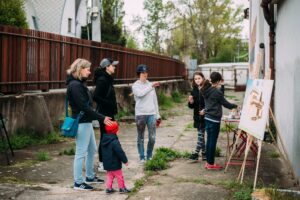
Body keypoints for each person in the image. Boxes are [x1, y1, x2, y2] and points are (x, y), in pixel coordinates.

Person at [66, 58, 113, 190]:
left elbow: (88, 105)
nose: (89, 71)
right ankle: (78, 182)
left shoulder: (79, 84)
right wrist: (101, 118)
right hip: (81, 123)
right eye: (87, 69)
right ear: (80, 69)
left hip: (86, 122)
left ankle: (90, 176)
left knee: (91, 149)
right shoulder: (75, 85)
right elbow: (84, 107)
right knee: (81, 152)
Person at [201, 72, 237, 170]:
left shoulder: (205, 89)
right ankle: (210, 164)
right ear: (218, 80)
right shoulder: (216, 92)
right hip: (214, 120)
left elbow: (219, 98)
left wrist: (221, 86)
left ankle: (208, 162)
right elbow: (226, 104)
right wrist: (236, 106)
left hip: (207, 118)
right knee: (212, 142)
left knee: (209, 141)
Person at [93, 58, 119, 172]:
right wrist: (108, 104)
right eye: (113, 66)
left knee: (111, 137)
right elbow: (96, 96)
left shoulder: (108, 79)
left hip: (109, 113)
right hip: (104, 114)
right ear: (107, 67)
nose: (114, 67)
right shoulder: (102, 80)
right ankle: (101, 163)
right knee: (105, 138)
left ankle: (107, 160)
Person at [132, 64, 161, 163]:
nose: (145, 74)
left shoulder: (150, 84)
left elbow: (155, 100)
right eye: (143, 72)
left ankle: (149, 155)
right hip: (140, 114)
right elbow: (140, 94)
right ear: (139, 74)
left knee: (152, 137)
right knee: (141, 137)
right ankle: (142, 157)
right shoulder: (135, 85)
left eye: (146, 72)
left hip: (151, 113)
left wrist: (158, 115)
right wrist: (151, 86)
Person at [101, 121, 130, 194]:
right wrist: (125, 160)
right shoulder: (114, 141)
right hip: (115, 163)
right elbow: (120, 152)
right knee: (119, 176)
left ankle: (108, 188)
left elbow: (102, 152)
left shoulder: (104, 140)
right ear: (116, 130)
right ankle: (122, 188)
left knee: (109, 176)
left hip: (107, 163)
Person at [188, 72, 206, 161]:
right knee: (201, 135)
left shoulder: (207, 89)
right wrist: (191, 102)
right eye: (195, 79)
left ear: (203, 78)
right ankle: (204, 153)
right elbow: (191, 106)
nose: (197, 80)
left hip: (205, 116)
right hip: (197, 116)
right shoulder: (193, 90)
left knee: (200, 134)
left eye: (199, 78)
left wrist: (205, 110)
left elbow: (210, 102)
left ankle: (196, 153)